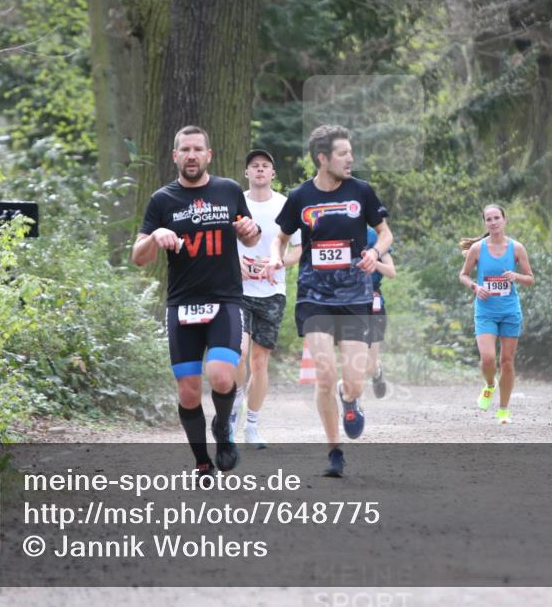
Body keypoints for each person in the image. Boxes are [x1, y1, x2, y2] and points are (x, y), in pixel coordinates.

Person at [131, 125, 261, 482]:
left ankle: (223, 428)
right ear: (175, 156)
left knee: (221, 376)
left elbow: (249, 236)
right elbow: (138, 257)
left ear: (208, 155)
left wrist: (250, 233)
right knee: (188, 391)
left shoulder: (229, 190)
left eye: (197, 149)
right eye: (184, 149)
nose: (191, 155)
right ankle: (202, 461)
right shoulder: (162, 200)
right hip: (182, 304)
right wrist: (156, 236)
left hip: (225, 300)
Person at [263, 124, 392, 477]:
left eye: (351, 153)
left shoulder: (361, 191)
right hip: (314, 294)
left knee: (353, 380)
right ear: (323, 158)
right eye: (343, 154)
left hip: (355, 295)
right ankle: (334, 451)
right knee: (323, 373)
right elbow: (282, 238)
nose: (350, 159)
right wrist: (277, 257)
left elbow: (385, 233)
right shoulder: (301, 196)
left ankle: (349, 398)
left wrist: (375, 252)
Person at [230, 149, 302, 448]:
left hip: (273, 291)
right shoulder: (235, 202)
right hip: (238, 291)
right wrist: (237, 265)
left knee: (260, 363)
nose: (259, 170)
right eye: (254, 166)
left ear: (273, 174)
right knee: (240, 353)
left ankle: (252, 426)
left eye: (265, 167)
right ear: (246, 173)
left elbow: (298, 250)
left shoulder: (286, 205)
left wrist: (277, 263)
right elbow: (220, 245)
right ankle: (231, 411)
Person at [458, 204, 534, 424]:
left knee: (507, 362)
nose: (493, 222)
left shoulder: (517, 248)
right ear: (485, 223)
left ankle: (503, 409)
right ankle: (490, 385)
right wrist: (475, 287)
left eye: (496, 218)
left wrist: (516, 276)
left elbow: (530, 278)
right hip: (485, 311)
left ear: (504, 220)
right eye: (488, 219)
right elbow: (463, 275)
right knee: (488, 358)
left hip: (510, 310)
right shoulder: (478, 249)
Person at [364, 225, 396, 398]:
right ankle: (351, 401)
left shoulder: (374, 236)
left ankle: (376, 372)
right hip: (346, 302)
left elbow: (392, 272)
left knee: (368, 365)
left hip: (372, 303)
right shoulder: (337, 230)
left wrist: (372, 260)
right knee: (352, 359)